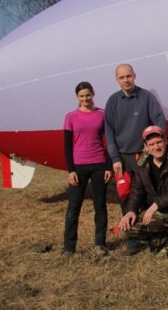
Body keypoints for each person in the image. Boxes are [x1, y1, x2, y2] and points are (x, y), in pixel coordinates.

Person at [118, 125, 168, 256]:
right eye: (151, 144)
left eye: (159, 142)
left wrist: (156, 204)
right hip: (161, 211)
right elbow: (137, 190)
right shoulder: (142, 163)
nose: (156, 147)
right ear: (146, 146)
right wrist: (130, 210)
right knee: (127, 227)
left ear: (165, 140)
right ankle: (164, 237)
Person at [104, 63, 167, 210]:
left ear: (134, 76)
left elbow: (160, 124)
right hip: (123, 157)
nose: (126, 80)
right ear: (117, 80)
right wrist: (115, 159)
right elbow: (109, 131)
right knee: (125, 194)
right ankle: (128, 222)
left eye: (129, 76)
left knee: (147, 193)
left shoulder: (147, 97)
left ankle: (149, 221)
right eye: (122, 77)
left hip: (144, 154)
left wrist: (154, 146)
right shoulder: (112, 101)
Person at [61, 81, 112, 257]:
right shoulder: (70, 117)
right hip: (79, 167)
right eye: (81, 96)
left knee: (100, 206)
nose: (85, 98)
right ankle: (69, 248)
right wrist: (71, 170)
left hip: (99, 165)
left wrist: (108, 166)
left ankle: (100, 244)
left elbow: (110, 141)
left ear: (93, 94)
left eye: (88, 95)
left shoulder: (102, 114)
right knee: (73, 207)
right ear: (77, 97)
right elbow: (67, 146)